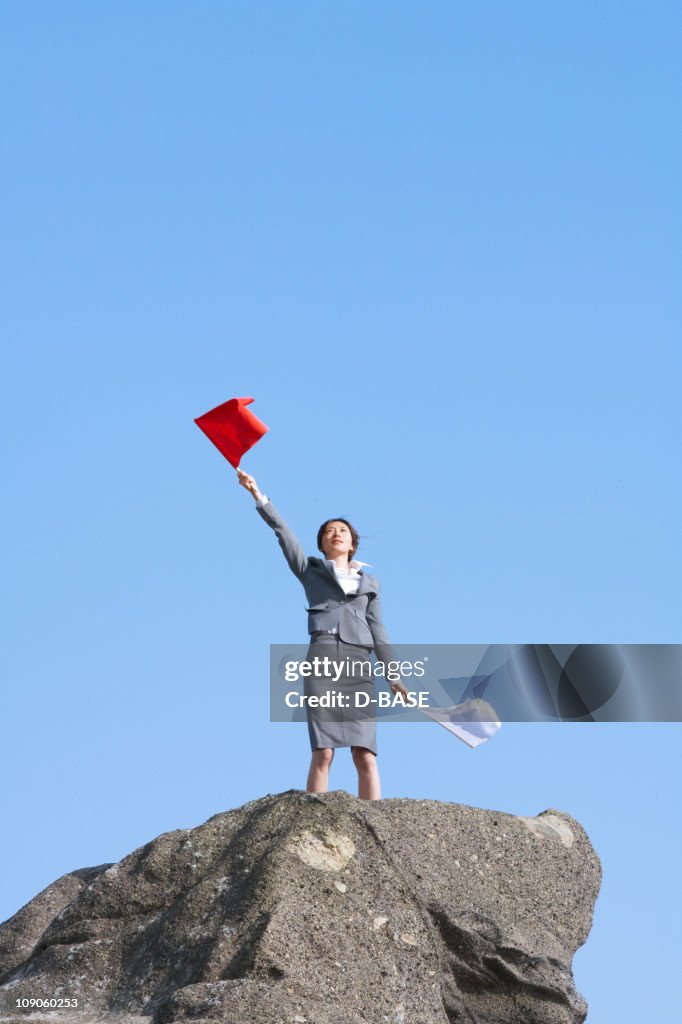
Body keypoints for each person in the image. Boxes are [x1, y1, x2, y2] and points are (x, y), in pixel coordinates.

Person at [237, 468, 407, 801]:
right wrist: (258, 495)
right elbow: (284, 534)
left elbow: (379, 630)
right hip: (323, 660)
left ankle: (376, 821)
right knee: (324, 751)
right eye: (330, 531)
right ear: (322, 543)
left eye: (342, 530)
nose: (336, 534)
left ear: (353, 543)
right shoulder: (310, 570)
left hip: (359, 666)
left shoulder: (370, 584)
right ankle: (313, 817)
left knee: (364, 753)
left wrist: (394, 675)